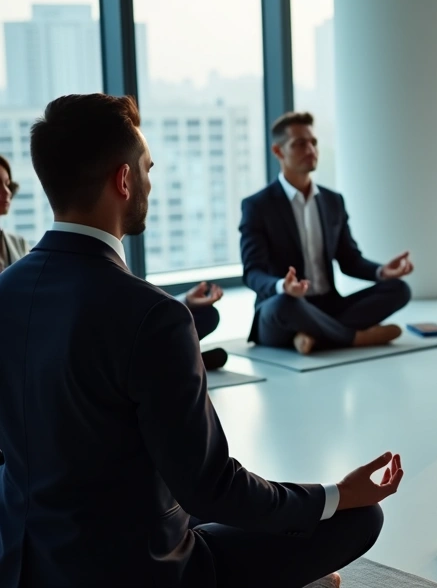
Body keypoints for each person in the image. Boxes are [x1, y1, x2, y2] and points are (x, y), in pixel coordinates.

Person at [0, 93, 402, 586]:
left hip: (24, 559)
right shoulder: (154, 315)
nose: (151, 179)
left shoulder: (6, 290)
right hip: (140, 569)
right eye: (147, 167)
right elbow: (211, 487)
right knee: (359, 518)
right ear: (124, 181)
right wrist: (336, 493)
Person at [1, 153, 229, 369]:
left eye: (7, 184)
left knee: (193, 317)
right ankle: (175, 361)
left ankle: (173, 358)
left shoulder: (19, 244)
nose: (6, 192)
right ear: (124, 180)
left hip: (66, 332)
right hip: (40, 343)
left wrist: (182, 302)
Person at [240, 111, 411, 354]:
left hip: (329, 306)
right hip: (287, 305)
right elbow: (252, 273)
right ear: (278, 151)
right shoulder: (258, 206)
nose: (310, 149)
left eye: (313, 142)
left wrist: (381, 271)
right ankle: (355, 338)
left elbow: (350, 260)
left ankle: (313, 336)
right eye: (300, 144)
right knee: (282, 306)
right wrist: (282, 286)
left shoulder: (333, 201)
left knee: (398, 289)